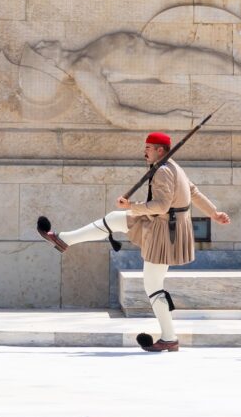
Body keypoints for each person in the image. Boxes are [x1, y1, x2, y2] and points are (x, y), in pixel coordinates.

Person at [37, 132, 230, 352]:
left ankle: (169, 338)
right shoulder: (173, 166)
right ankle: (64, 240)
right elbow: (193, 192)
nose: (144, 151)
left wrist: (131, 205)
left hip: (164, 230)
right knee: (113, 219)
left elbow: (162, 206)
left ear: (160, 150)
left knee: (153, 285)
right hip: (162, 224)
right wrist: (214, 213)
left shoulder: (164, 171)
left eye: (148, 147)